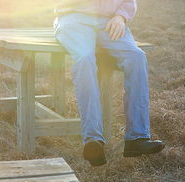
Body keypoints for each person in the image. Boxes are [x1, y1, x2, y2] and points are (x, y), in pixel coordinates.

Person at [54, 0, 165, 166]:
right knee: (85, 58)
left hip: (109, 21)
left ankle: (137, 138)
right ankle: (93, 140)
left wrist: (121, 17)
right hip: (75, 18)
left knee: (137, 57)